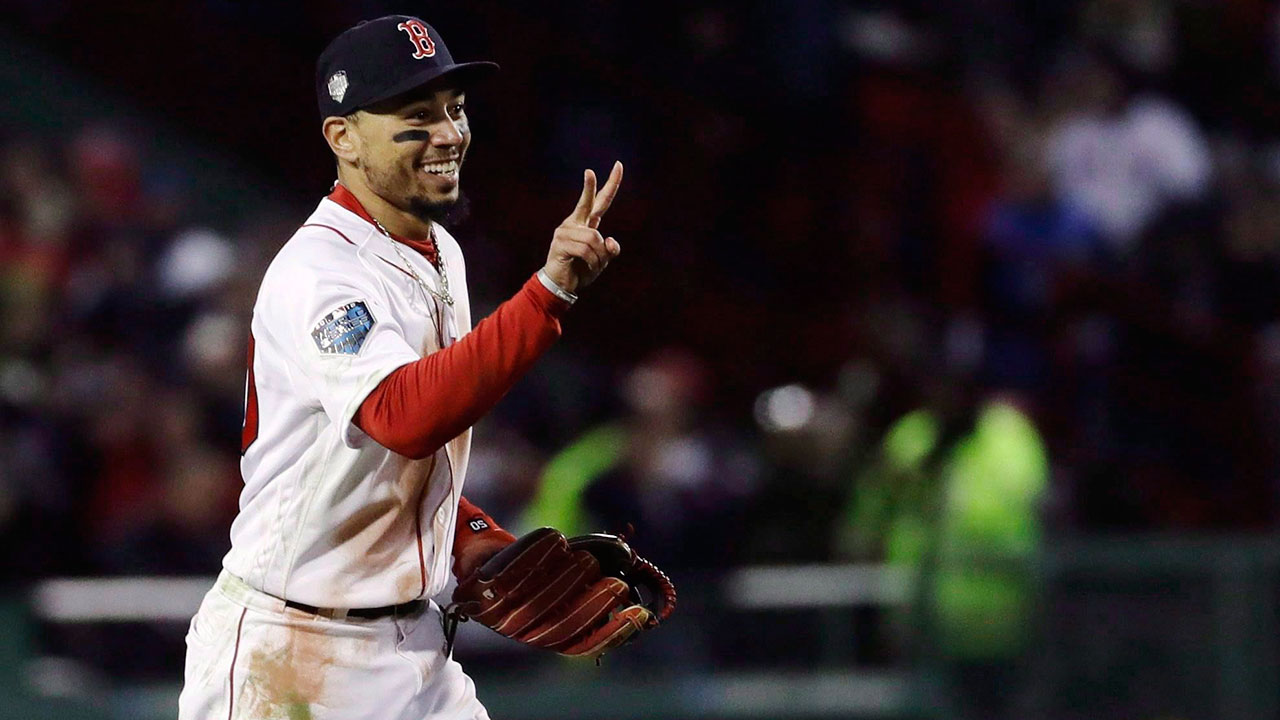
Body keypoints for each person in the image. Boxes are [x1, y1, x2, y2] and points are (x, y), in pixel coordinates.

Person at [178, 16, 623, 720]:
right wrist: (548, 295)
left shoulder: (441, 248)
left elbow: (382, 455)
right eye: (416, 116)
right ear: (343, 137)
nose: (448, 133)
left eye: (455, 109)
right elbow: (403, 416)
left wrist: (467, 534)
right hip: (292, 653)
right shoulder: (320, 271)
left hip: (415, 644)